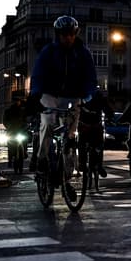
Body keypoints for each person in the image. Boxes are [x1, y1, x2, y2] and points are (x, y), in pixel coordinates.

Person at [28, 15, 98, 188]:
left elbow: (91, 78)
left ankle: (66, 175)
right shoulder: (49, 52)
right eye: (64, 34)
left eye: (71, 34)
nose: (68, 38)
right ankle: (42, 159)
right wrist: (36, 94)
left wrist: (87, 97)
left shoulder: (83, 53)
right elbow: (38, 75)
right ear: (58, 34)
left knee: (70, 135)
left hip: (73, 95)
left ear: (76, 34)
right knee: (48, 122)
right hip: (50, 93)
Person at [78, 90, 114, 177]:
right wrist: (110, 117)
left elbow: (107, 108)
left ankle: (82, 164)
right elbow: (108, 109)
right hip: (93, 125)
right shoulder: (98, 95)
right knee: (98, 145)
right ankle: (99, 166)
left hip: (85, 124)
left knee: (82, 143)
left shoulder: (80, 93)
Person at [3, 98, 29, 166]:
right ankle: (10, 160)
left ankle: (25, 152)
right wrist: (9, 126)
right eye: (16, 101)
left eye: (18, 102)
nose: (17, 103)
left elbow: (26, 120)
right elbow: (5, 121)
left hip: (20, 130)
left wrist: (26, 126)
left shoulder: (22, 111)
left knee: (25, 140)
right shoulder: (8, 111)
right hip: (12, 131)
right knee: (10, 145)